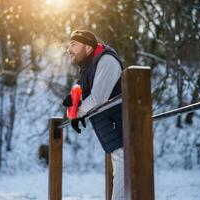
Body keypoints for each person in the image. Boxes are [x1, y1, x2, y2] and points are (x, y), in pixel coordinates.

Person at [62, 30, 124, 200]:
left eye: (73, 44)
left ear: (88, 47)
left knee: (123, 162)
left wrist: (76, 114)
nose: (69, 49)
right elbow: (82, 93)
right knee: (120, 161)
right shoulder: (88, 67)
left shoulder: (107, 60)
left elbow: (97, 97)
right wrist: (74, 102)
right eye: (69, 45)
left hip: (120, 121)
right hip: (108, 121)